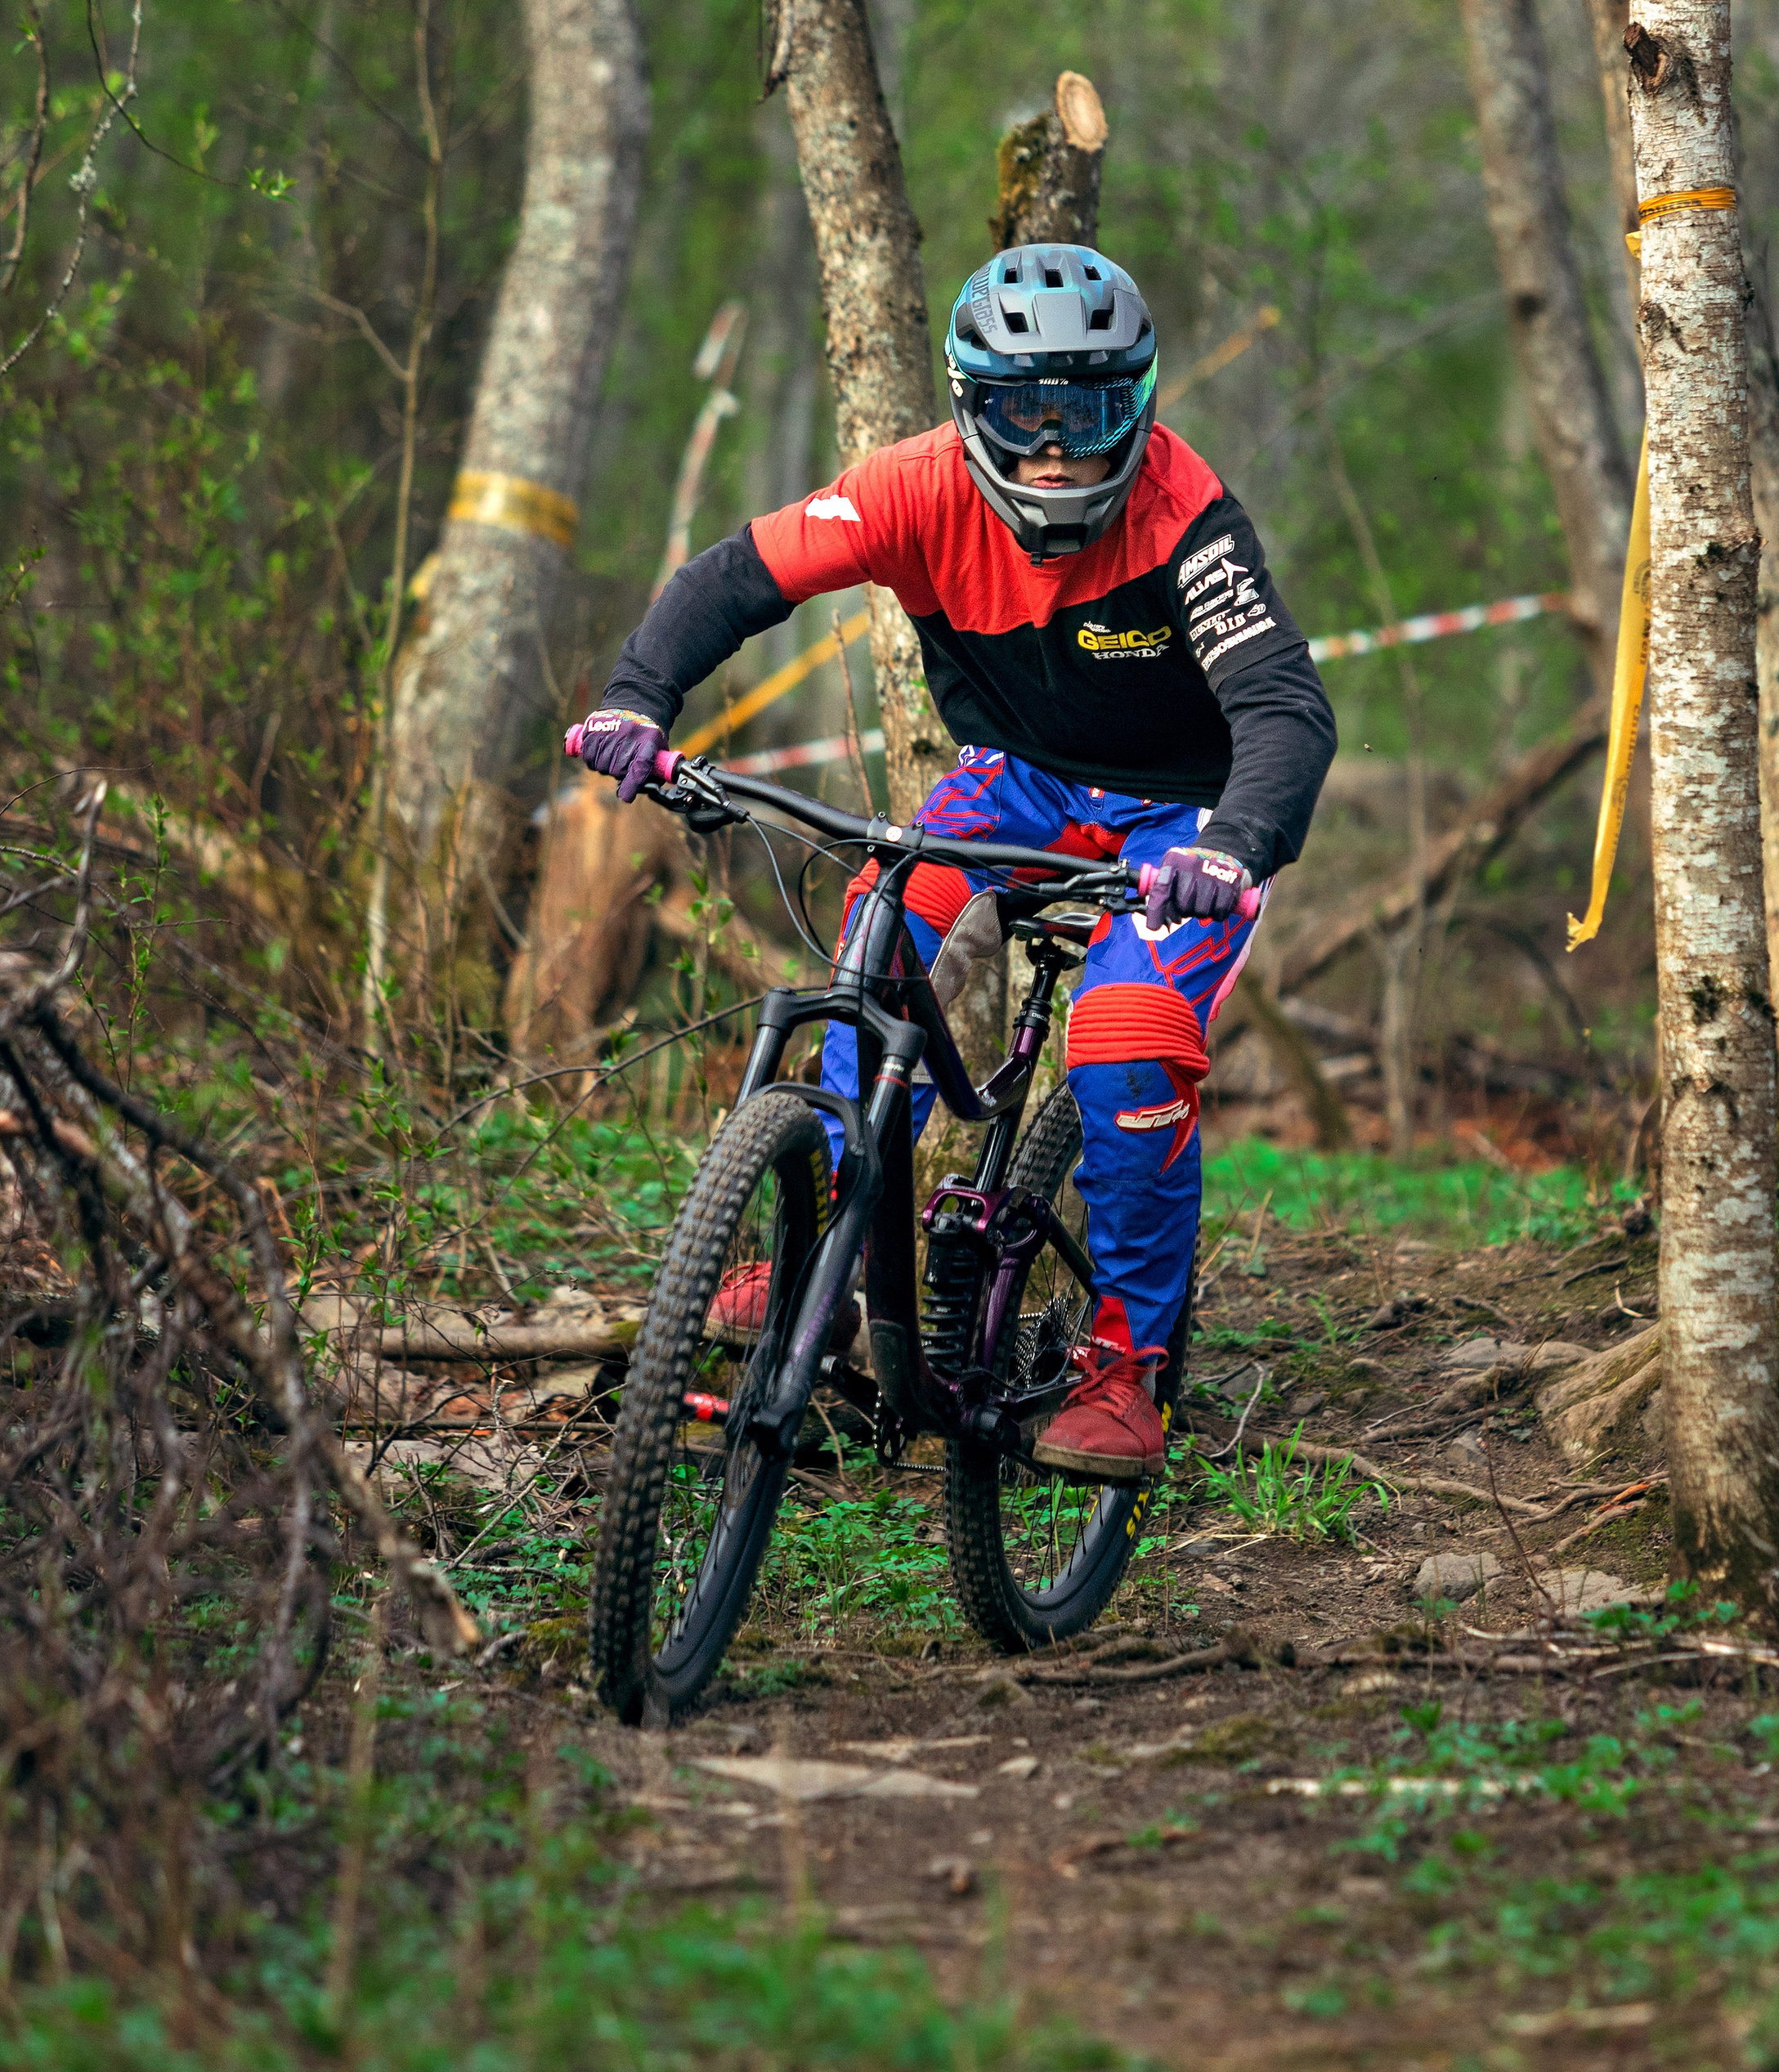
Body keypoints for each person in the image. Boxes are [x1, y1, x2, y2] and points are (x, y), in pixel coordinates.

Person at [567, 245, 1337, 1480]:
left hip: (1182, 815)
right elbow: (736, 577)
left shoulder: (1188, 518)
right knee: (879, 938)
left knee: (1128, 1029)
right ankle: (818, 1245)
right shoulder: (905, 488)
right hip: (1017, 780)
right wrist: (638, 701)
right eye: (1019, 417)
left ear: (1134, 407)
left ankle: (1127, 1362)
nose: (1050, 454)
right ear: (969, 409)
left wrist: (1239, 850)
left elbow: (1288, 712)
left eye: (1082, 418)